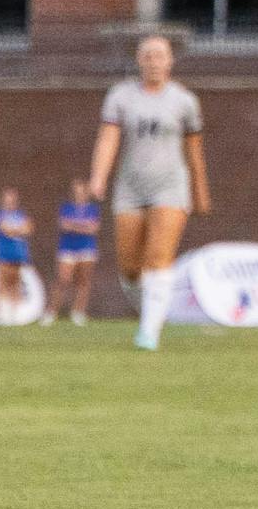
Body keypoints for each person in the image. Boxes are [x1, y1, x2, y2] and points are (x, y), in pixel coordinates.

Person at [88, 35, 209, 351]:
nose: (154, 62)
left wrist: (200, 191)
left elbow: (194, 150)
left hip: (170, 186)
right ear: (139, 60)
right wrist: (98, 178)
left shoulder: (184, 101)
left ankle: (149, 333)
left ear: (171, 61)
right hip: (130, 187)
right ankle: (151, 311)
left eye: (160, 56)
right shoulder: (121, 97)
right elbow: (108, 139)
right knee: (130, 266)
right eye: (148, 56)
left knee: (158, 257)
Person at [41, 179, 101, 326]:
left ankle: (78, 312)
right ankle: (51, 311)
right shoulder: (66, 208)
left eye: (81, 191)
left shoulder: (93, 209)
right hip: (67, 248)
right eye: (76, 192)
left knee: (83, 281)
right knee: (63, 279)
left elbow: (94, 228)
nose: (79, 194)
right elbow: (64, 225)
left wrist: (75, 226)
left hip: (87, 248)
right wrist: (82, 226)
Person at [0, 188, 33, 325]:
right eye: (7, 198)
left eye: (12, 198)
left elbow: (28, 228)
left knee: (15, 283)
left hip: (18, 253)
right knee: (2, 283)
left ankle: (13, 315)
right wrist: (17, 230)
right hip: (4, 252)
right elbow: (4, 229)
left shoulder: (21, 214)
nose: (10, 201)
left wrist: (14, 230)